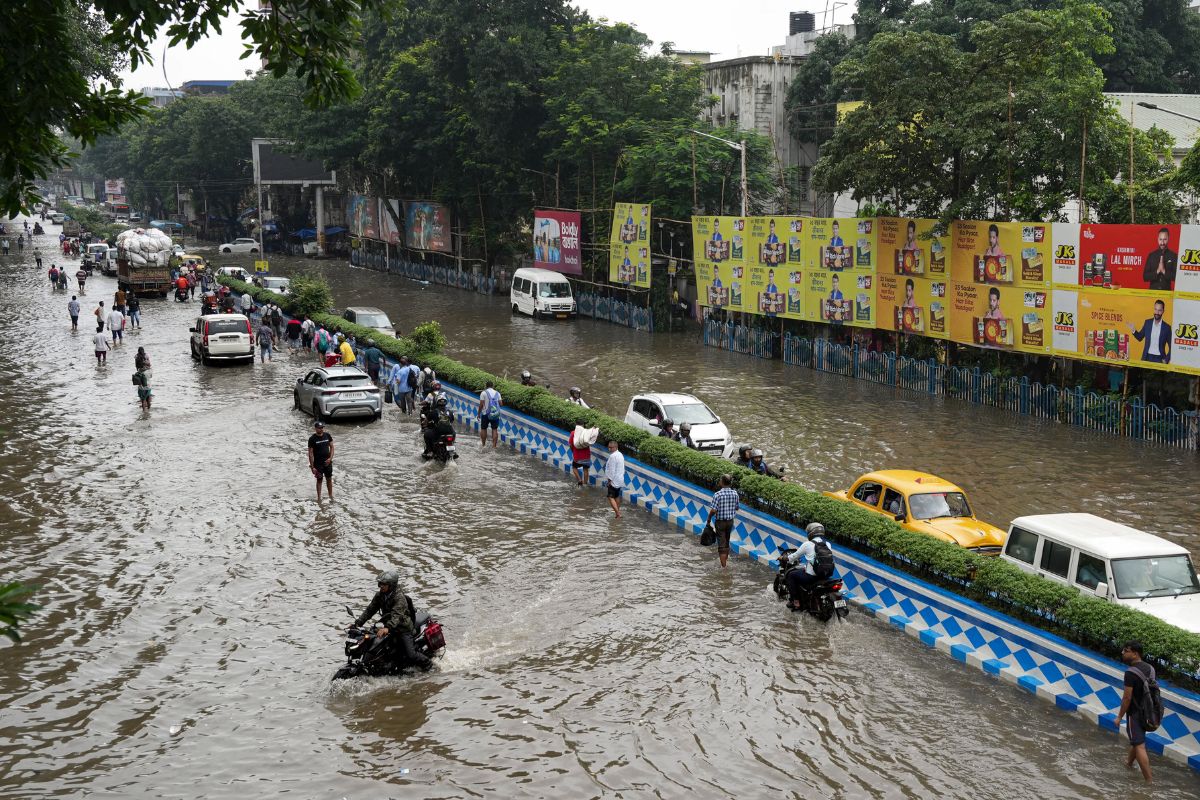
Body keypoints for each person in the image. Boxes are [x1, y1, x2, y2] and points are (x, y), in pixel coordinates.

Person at [352, 571, 432, 672]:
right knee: (373, 644)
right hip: (389, 626)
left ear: (391, 585)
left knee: (411, 654)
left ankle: (429, 665)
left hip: (402, 628)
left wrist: (387, 628)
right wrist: (358, 623)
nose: (381, 586)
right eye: (380, 583)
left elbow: (396, 615)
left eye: (384, 584)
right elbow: (370, 610)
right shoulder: (380, 595)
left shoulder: (399, 598)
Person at [1114, 641, 1155, 782]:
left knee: (1139, 746)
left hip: (1135, 713)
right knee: (1137, 740)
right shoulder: (1150, 669)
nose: (1122, 653)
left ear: (1135, 654)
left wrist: (1119, 717)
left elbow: (1127, 698)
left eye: (1126, 650)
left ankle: (1149, 782)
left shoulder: (1130, 673)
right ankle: (1129, 764)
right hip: (1148, 712)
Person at [782, 523, 836, 611]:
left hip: (812, 576)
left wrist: (784, 558)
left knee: (791, 575)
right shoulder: (827, 544)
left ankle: (795, 601)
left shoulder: (807, 544)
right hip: (825, 575)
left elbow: (794, 556)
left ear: (811, 533)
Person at [705, 474, 739, 568]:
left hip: (720, 522)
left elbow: (713, 510)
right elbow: (737, 507)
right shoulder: (735, 494)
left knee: (721, 545)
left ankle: (724, 568)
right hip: (730, 522)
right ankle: (725, 562)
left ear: (722, 482)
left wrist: (709, 519)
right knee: (727, 542)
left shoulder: (718, 494)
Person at [1128, 299, 1171, 364]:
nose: (1157, 312)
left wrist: (1166, 360)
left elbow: (1172, 347)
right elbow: (1140, 338)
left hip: (1159, 359)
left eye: (1159, 310)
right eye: (1155, 309)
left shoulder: (1167, 328)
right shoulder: (1147, 323)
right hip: (1146, 357)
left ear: (1163, 311)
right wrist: (1133, 330)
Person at [1143, 226, 1177, 291]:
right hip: (1152, 292)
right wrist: (1157, 271)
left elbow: (1176, 277)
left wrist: (1164, 271)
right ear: (1157, 239)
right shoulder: (1151, 255)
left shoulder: (1173, 256)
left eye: (1165, 239)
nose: (1162, 243)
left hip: (1167, 292)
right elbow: (1145, 277)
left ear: (1168, 239)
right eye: (1160, 239)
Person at [308, 420, 334, 501]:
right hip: (318, 464)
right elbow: (310, 453)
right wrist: (312, 467)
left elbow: (332, 447)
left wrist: (330, 458)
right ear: (315, 428)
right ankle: (319, 498)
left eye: (322, 427)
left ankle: (330, 496)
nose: (321, 429)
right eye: (319, 428)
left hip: (328, 462)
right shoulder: (312, 439)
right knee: (319, 480)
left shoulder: (327, 435)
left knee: (329, 479)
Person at [604, 440, 625, 518]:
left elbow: (612, 470)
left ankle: (618, 513)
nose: (609, 449)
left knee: (610, 497)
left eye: (611, 447)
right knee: (616, 496)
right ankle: (617, 511)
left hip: (614, 480)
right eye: (609, 447)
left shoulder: (613, 456)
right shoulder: (620, 454)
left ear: (616, 447)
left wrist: (609, 481)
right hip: (620, 479)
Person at [478, 380, 502, 448]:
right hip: (495, 414)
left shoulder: (483, 393)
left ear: (486, 386)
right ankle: (494, 446)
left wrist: (478, 413)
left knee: (483, 428)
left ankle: (483, 445)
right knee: (494, 429)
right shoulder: (497, 393)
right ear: (492, 386)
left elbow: (481, 405)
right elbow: (501, 404)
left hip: (485, 414)